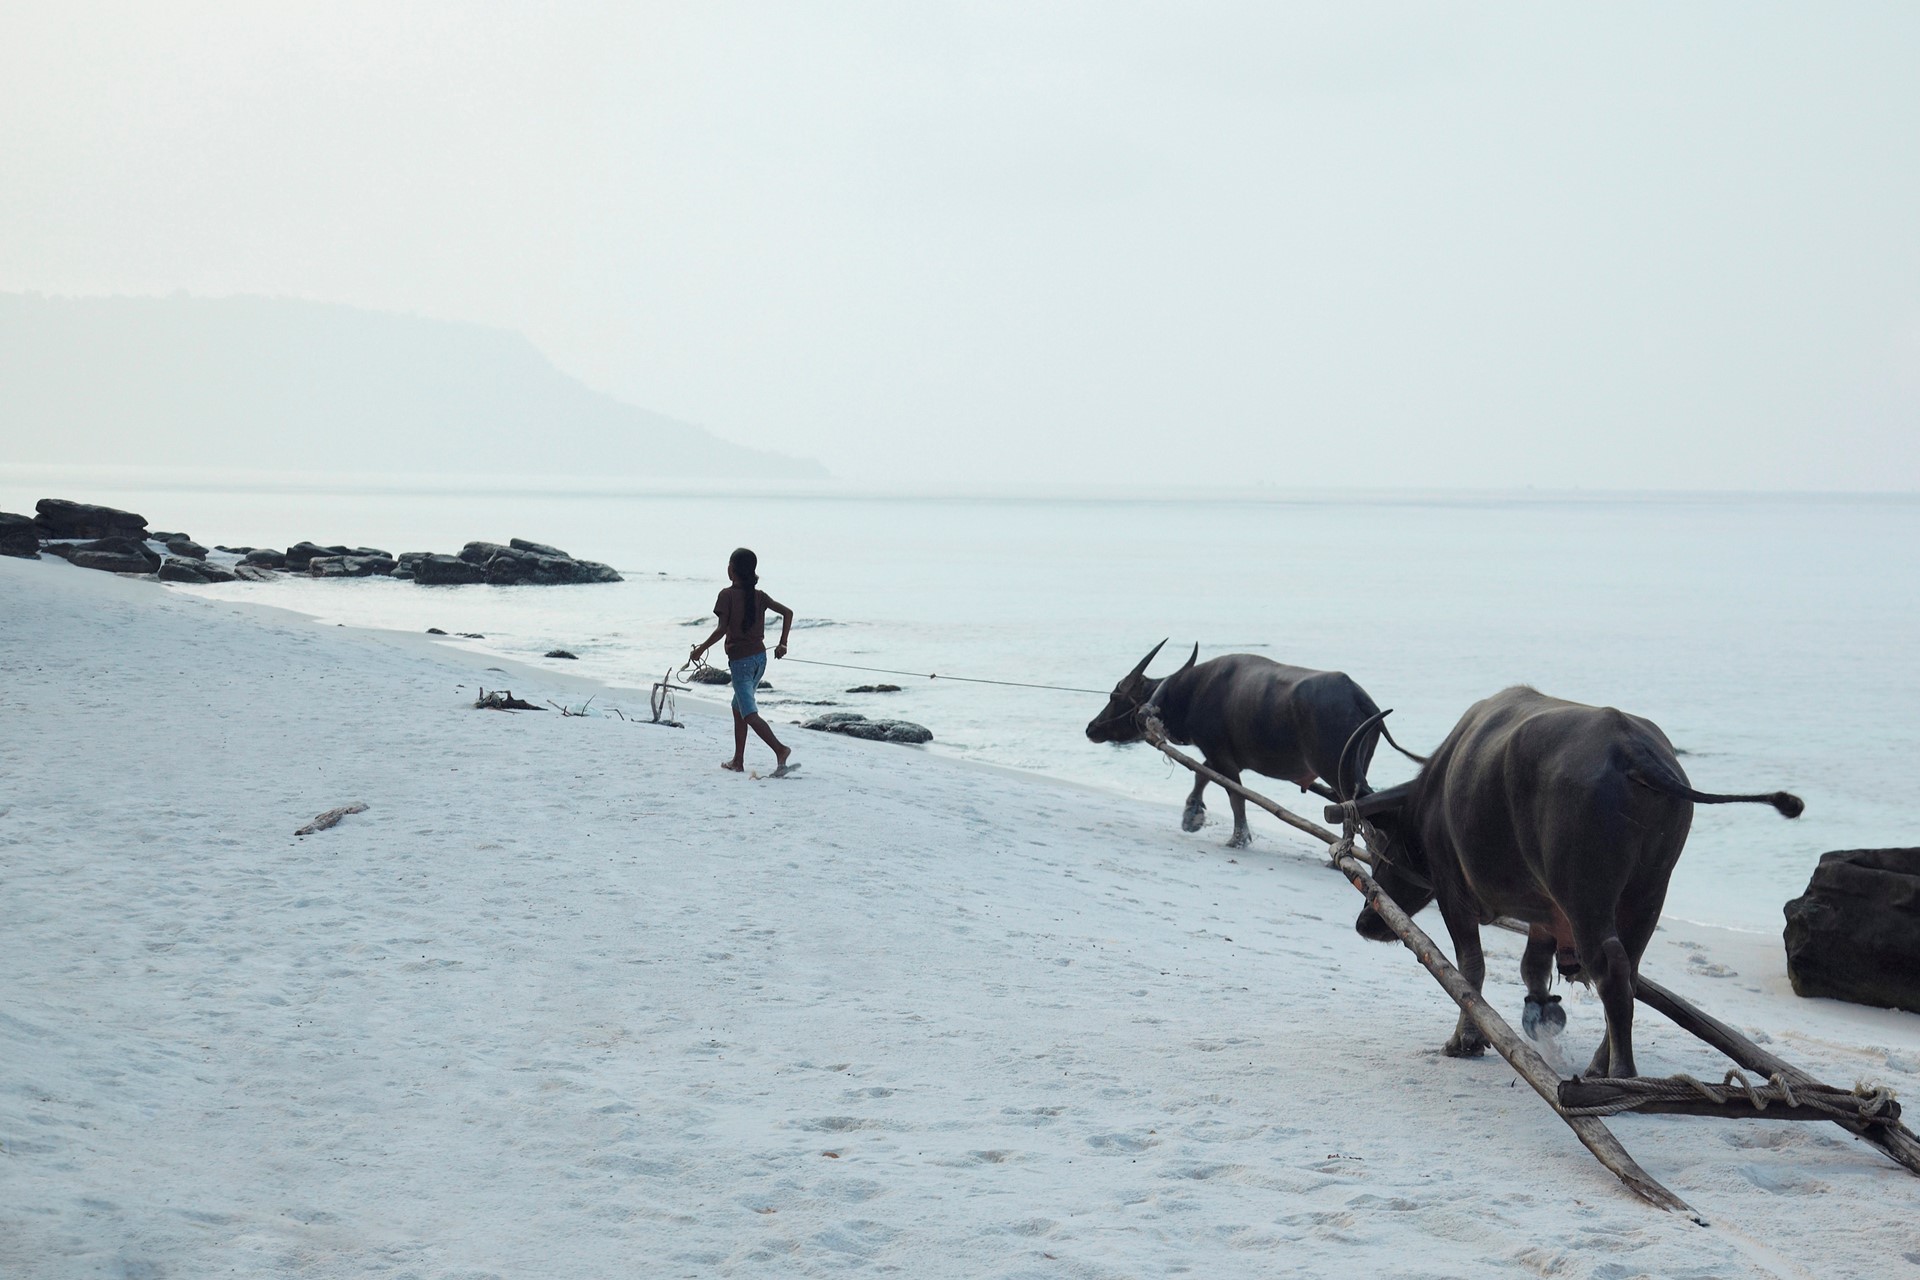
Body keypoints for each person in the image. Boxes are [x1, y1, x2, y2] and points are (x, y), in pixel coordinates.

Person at [689, 547, 797, 776]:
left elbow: (721, 630)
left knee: (748, 712)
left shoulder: (726, 595)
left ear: (731, 570)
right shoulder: (760, 596)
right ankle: (738, 761)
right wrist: (783, 643)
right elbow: (788, 613)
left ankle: (780, 749)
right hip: (760, 659)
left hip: (741, 663)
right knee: (737, 707)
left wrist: (700, 649)